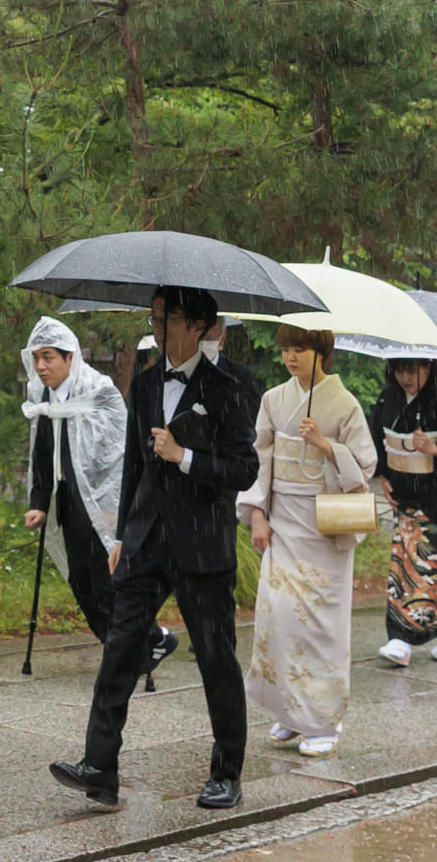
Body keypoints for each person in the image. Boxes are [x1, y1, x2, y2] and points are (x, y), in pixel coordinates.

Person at [48, 286, 261, 809]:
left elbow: (243, 469)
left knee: (216, 658)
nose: (158, 327)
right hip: (145, 540)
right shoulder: (144, 385)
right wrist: (119, 535)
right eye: (154, 316)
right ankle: (100, 766)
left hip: (203, 543)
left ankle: (226, 771)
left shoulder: (234, 384)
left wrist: (185, 455)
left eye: (167, 318)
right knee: (120, 649)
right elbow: (133, 467)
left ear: (200, 324)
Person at [239, 325, 378, 758]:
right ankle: (288, 711)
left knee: (319, 627)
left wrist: (326, 444)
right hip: (282, 521)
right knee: (278, 617)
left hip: (323, 528)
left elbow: (366, 465)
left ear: (322, 350)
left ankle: (322, 721)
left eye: (299, 348)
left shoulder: (345, 404)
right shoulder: (274, 399)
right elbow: (258, 459)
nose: (290, 357)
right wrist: (258, 514)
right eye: (285, 349)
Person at [20, 314, 140, 655]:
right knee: (81, 583)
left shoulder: (99, 391)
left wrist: (114, 506)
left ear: (70, 357)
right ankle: (122, 646)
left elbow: (118, 452)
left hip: (103, 504)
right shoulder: (44, 397)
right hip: (69, 505)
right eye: (37, 358)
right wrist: (39, 503)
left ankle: (136, 648)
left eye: (49, 357)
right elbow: (42, 454)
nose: (41, 366)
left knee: (108, 583)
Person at [368, 356, 437, 666]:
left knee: (425, 562)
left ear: (429, 367)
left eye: (413, 369)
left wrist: (436, 450)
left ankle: (402, 638)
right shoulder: (386, 398)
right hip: (404, 489)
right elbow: (377, 440)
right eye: (400, 369)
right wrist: (384, 475)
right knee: (403, 562)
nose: (406, 377)